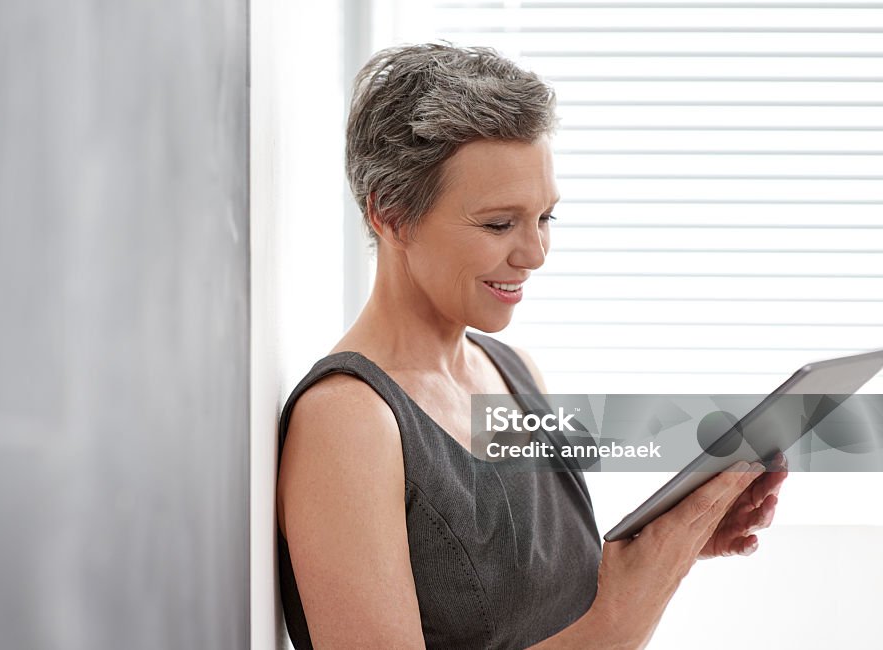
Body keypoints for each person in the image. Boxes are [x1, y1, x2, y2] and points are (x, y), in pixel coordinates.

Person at [276, 43, 788, 649]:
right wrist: (624, 615)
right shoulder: (349, 422)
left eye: (545, 217)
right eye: (498, 224)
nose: (535, 254)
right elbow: (600, 631)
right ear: (391, 216)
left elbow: (535, 606)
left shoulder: (515, 372)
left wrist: (673, 544)